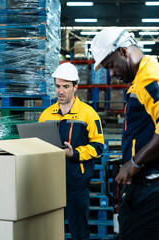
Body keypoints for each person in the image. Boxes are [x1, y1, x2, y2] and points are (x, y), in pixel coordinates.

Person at [91, 27, 159, 240]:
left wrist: (136, 163)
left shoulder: (149, 77)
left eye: (111, 65)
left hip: (153, 188)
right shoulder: (158, 73)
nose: (111, 73)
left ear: (123, 51)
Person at [38, 62, 104, 240]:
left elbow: (98, 146)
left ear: (75, 87)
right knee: (50, 231)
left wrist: (74, 153)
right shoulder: (46, 115)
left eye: (66, 86)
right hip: (51, 184)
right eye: (58, 86)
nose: (61, 91)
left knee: (79, 232)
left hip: (76, 184)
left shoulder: (88, 114)